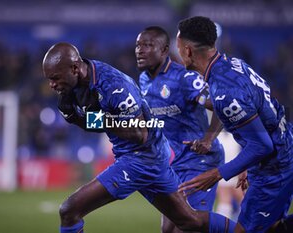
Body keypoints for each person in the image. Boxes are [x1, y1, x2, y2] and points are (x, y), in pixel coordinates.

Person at [42, 42, 236, 233]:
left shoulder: (114, 85)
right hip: (149, 156)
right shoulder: (71, 89)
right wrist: (80, 118)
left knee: (69, 211)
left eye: (55, 78)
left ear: (75, 68)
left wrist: (96, 119)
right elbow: (88, 123)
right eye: (49, 79)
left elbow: (138, 134)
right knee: (189, 221)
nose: (52, 84)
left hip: (140, 157)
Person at [176, 16, 293, 233]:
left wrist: (216, 174)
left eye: (178, 47)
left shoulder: (224, 91)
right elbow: (257, 115)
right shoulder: (231, 65)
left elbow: (262, 145)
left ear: (188, 50)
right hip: (281, 149)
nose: (177, 52)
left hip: (275, 165)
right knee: (273, 227)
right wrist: (212, 140)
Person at [135, 26, 225, 233]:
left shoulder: (184, 78)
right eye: (138, 45)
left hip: (199, 161)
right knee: (168, 230)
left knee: (190, 226)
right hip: (173, 165)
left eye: (147, 45)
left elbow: (221, 104)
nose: (140, 50)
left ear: (164, 50)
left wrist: (208, 139)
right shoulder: (144, 80)